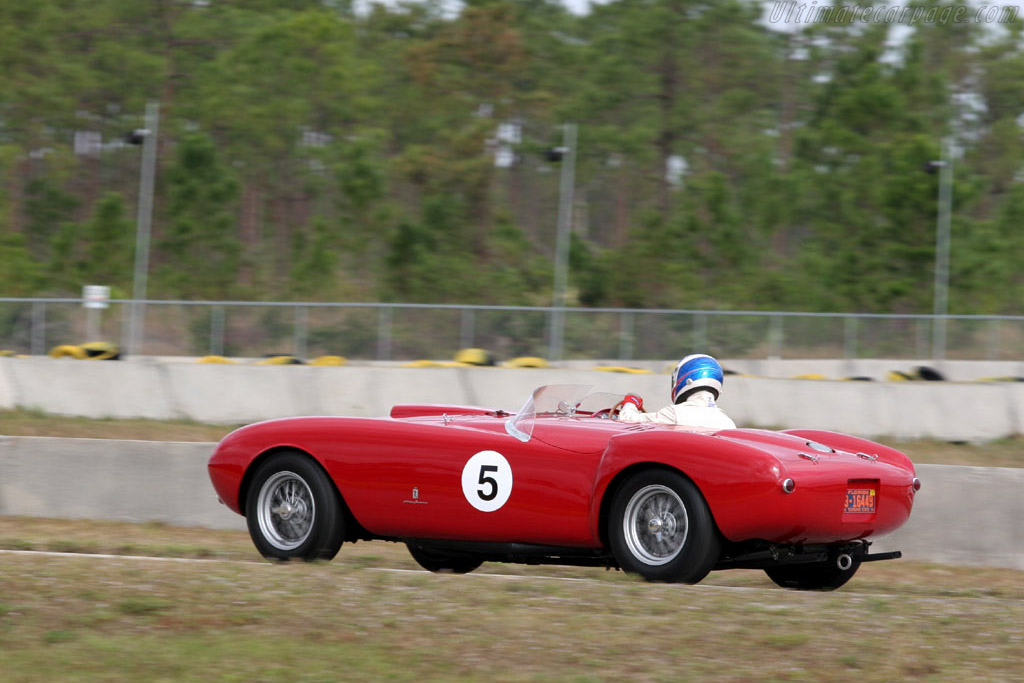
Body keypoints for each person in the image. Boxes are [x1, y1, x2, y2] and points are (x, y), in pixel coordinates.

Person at [617, 354, 736, 429]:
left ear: (686, 378)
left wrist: (630, 403)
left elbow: (628, 420)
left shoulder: (675, 413)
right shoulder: (727, 421)